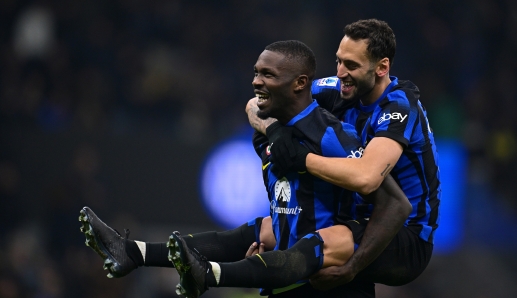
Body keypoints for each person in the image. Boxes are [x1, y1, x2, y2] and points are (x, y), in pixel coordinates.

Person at [80, 39, 410, 298]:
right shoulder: (265, 130)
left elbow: (386, 197)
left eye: (268, 75)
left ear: (299, 83)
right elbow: (257, 116)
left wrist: (355, 263)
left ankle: (207, 274)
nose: (256, 82)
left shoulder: (331, 134)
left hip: (330, 285)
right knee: (252, 231)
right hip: (285, 279)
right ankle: (132, 253)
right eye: (256, 72)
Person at [246, 18, 440, 290]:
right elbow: (257, 102)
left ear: (382, 67)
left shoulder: (398, 107)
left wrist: (302, 160)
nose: (339, 72)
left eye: (351, 65)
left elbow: (367, 178)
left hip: (406, 235)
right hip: (356, 218)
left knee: (305, 253)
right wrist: (275, 131)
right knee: (265, 230)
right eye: (338, 61)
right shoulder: (338, 89)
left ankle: (225, 274)